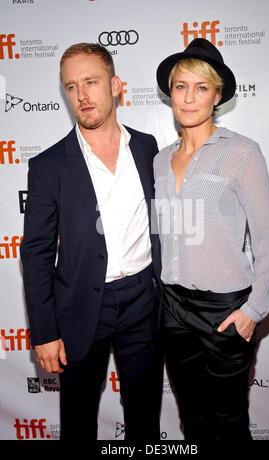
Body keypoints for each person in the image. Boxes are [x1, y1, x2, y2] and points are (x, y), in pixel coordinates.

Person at [20, 42, 163, 441]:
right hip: (81, 307)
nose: (81, 95)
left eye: (91, 82)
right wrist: (44, 332)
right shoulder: (48, 165)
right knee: (79, 421)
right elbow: (36, 252)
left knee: (145, 418)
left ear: (116, 85)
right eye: (70, 87)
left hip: (142, 301)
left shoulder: (147, 147)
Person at [154, 38, 269, 441]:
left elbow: (268, 239)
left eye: (201, 87)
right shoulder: (159, 159)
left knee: (228, 421)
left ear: (217, 95)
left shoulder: (243, 152)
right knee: (191, 419)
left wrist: (253, 310)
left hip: (225, 310)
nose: (189, 98)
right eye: (180, 86)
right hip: (172, 308)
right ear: (171, 92)